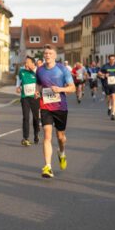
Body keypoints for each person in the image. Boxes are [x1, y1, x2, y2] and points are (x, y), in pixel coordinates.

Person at [35, 44, 75, 178]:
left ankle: (62, 152)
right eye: (45, 53)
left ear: (55, 56)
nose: (47, 55)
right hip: (45, 106)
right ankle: (47, 166)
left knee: (60, 137)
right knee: (47, 135)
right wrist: (37, 91)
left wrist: (60, 89)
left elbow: (72, 88)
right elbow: (39, 83)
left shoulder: (62, 70)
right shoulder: (39, 70)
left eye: (50, 53)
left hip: (60, 107)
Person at [16, 56, 40, 146]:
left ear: (33, 63)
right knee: (26, 117)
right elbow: (19, 80)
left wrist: (32, 69)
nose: (26, 64)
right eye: (25, 62)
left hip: (35, 97)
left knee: (36, 118)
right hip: (25, 97)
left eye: (28, 62)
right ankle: (25, 138)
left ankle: (36, 134)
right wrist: (18, 87)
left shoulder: (38, 71)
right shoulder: (22, 71)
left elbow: (41, 82)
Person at [99, 55, 115, 120]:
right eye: (111, 59)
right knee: (108, 99)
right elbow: (99, 73)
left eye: (113, 59)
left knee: (114, 98)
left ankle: (113, 114)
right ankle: (109, 107)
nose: (112, 60)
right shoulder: (105, 66)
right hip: (107, 84)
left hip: (114, 84)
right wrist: (104, 74)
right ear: (109, 59)